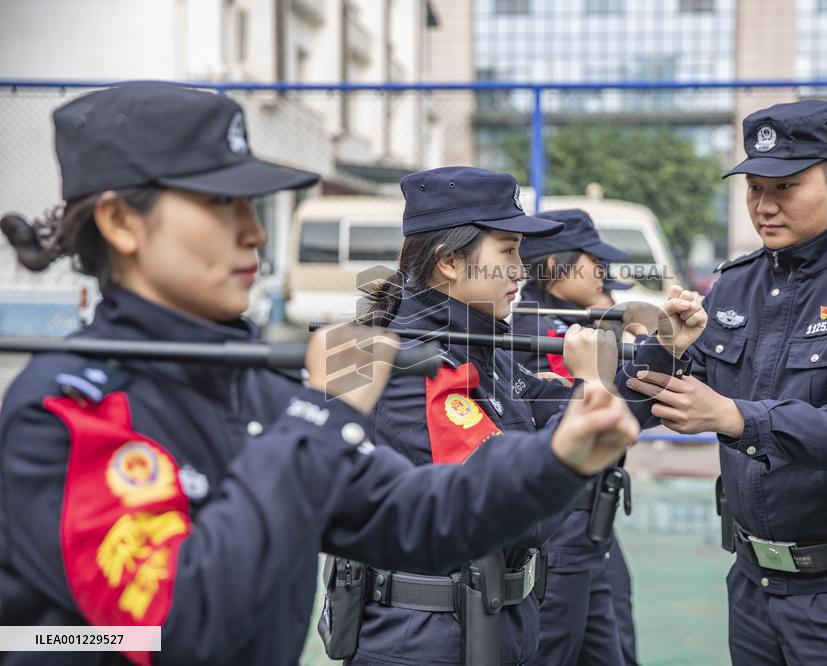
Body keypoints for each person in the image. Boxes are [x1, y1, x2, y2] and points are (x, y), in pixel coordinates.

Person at [0, 83, 644, 666]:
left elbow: (413, 517)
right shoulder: (66, 410)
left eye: (252, 207)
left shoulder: (243, 385)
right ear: (120, 222)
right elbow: (170, 626)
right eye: (222, 204)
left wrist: (560, 458)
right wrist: (323, 413)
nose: (254, 233)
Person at [339, 166, 708, 666]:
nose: (520, 269)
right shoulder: (408, 360)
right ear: (449, 261)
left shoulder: (478, 341)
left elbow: (554, 410)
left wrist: (663, 351)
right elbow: (508, 512)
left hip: (481, 627)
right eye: (508, 251)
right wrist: (588, 387)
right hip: (426, 642)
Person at [625, 99, 827, 665]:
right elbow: (647, 401)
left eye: (786, 187)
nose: (764, 206)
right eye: (754, 189)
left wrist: (732, 416)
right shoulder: (733, 285)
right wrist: (666, 349)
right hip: (752, 583)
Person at [512, 208, 644, 666]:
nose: (604, 274)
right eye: (593, 261)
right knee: (552, 650)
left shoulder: (582, 326)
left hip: (593, 524)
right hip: (562, 526)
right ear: (552, 266)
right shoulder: (539, 333)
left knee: (612, 651)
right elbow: (575, 417)